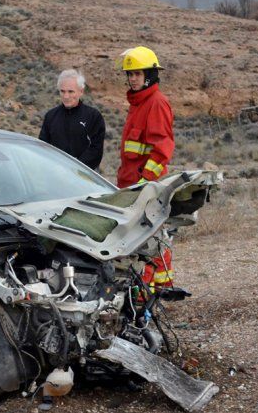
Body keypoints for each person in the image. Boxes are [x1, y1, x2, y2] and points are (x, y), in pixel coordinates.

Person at [116, 46, 176, 291]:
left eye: (137, 74)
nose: (132, 79)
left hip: (144, 188)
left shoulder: (156, 103)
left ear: (149, 75)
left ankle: (155, 292)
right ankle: (148, 289)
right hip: (131, 185)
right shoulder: (138, 103)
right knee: (140, 241)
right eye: (129, 74)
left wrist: (145, 183)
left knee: (149, 241)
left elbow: (162, 150)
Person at [39, 69, 106, 171]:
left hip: (85, 176)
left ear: (81, 91)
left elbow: (95, 150)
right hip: (55, 173)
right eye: (62, 91)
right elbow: (43, 148)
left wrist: (74, 169)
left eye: (71, 91)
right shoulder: (51, 116)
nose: (66, 96)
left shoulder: (93, 116)